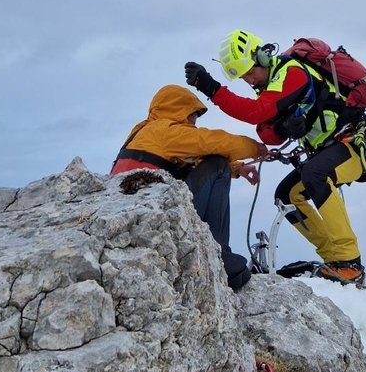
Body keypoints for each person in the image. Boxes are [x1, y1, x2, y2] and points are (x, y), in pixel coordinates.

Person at [184, 30, 366, 284]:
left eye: (250, 71)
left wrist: (211, 88)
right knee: (287, 195)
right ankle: (334, 257)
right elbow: (267, 130)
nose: (249, 80)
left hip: (353, 145)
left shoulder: (291, 72)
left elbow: (257, 112)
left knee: (315, 174)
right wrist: (282, 128)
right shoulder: (271, 85)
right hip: (330, 149)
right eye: (244, 76)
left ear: (261, 56)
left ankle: (349, 261)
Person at [111, 84, 267, 291]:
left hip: (136, 218)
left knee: (219, 165)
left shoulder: (143, 132)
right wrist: (256, 148)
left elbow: (190, 164)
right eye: (193, 115)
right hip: (158, 217)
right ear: (179, 111)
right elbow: (214, 142)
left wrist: (237, 169)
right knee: (217, 164)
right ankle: (217, 253)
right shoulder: (167, 131)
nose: (194, 122)